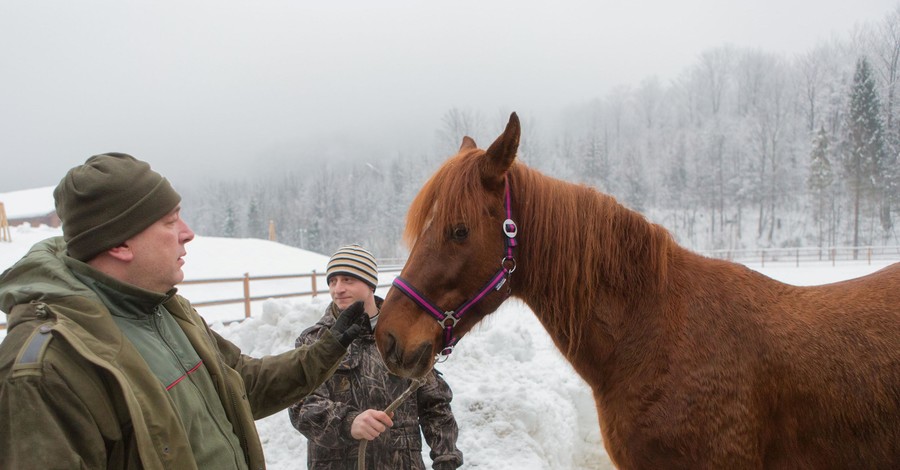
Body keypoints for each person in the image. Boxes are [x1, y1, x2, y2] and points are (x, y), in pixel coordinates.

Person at [0, 153, 368, 469]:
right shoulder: (47, 368)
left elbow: (244, 385)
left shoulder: (167, 312)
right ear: (121, 243)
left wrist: (329, 347)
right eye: (170, 221)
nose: (188, 233)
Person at [289, 245, 463, 470]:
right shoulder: (314, 341)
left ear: (370, 283)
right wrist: (348, 422)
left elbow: (434, 403)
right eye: (332, 281)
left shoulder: (404, 335)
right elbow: (301, 406)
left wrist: (446, 458)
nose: (338, 289)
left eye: (348, 279)